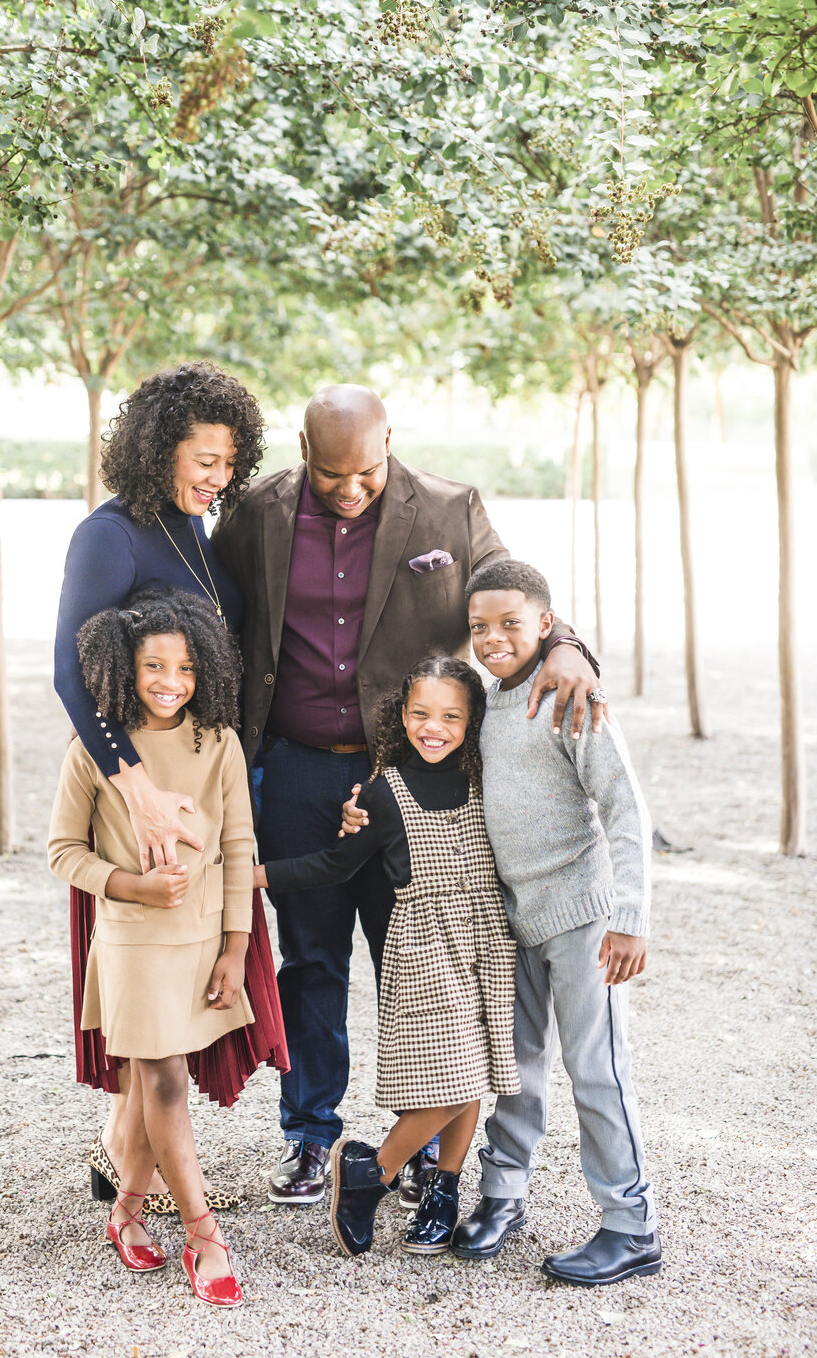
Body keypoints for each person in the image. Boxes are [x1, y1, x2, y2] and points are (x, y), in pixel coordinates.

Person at [212, 383, 601, 1208]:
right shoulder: (256, 511)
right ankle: (311, 1135)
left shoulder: (452, 511)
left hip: (416, 778)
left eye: (366, 471)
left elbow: (510, 592)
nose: (349, 490)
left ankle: (418, 1137)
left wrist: (566, 643)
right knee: (309, 961)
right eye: (329, 474)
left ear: (391, 440)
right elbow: (211, 616)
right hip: (294, 770)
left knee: (421, 967)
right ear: (304, 452)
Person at [53, 360, 286, 1211]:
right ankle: (139, 1156)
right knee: (153, 988)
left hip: (206, 784)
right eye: (203, 461)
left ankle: (128, 1150)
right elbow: (69, 674)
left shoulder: (196, 531)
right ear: (159, 451)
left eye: (229, 464)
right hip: (133, 810)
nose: (218, 479)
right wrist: (134, 788)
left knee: (188, 994)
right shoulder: (108, 535)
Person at [253, 655, 520, 1257]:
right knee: (458, 1073)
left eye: (452, 716)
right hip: (425, 950)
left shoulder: (489, 781)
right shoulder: (382, 790)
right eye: (421, 713)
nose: (435, 727)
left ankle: (444, 1190)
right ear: (400, 716)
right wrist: (252, 876)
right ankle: (373, 1171)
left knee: (474, 1068)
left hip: (486, 946)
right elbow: (332, 865)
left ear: (473, 720)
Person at [450, 558, 660, 1287]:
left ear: (548, 624)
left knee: (596, 1071)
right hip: (515, 920)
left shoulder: (570, 695)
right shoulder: (485, 703)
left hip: (583, 920)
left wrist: (629, 918)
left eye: (511, 623)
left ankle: (630, 1226)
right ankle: (503, 1194)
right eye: (480, 627)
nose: (494, 639)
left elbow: (626, 806)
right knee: (515, 1069)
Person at [48, 589, 252, 1307]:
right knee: (163, 1079)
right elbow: (63, 852)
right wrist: (131, 887)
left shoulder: (218, 741)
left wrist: (236, 946)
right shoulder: (95, 752)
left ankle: (126, 1214)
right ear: (121, 670)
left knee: (150, 1094)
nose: (171, 681)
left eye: (187, 668)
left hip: (201, 941)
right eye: (153, 667)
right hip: (133, 942)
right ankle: (205, 1235)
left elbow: (237, 846)